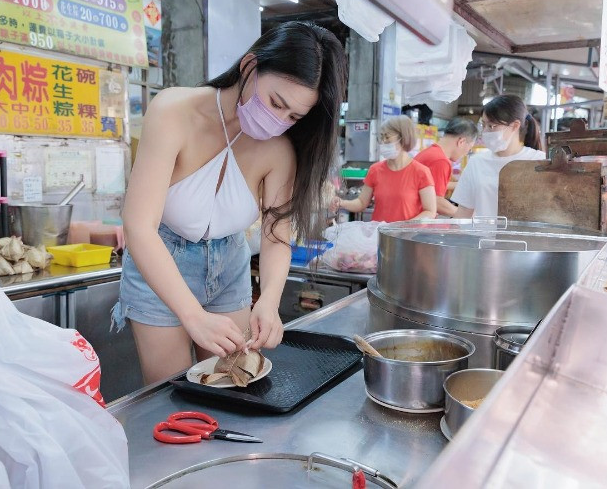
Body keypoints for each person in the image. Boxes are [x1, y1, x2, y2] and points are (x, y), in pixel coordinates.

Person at [112, 22, 347, 384]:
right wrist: (192, 316)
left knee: (235, 386)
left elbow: (275, 235)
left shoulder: (281, 150)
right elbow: (139, 226)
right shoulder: (174, 112)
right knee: (171, 395)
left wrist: (269, 300)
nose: (279, 121)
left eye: (294, 117)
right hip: (160, 259)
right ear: (250, 66)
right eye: (276, 103)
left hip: (228, 269)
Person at [450, 94, 546, 218]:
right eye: (483, 125)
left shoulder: (538, 161)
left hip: (521, 237)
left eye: (491, 126)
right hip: (482, 237)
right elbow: (463, 214)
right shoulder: (477, 163)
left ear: (515, 126)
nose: (485, 131)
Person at [334, 116, 436, 222]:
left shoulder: (421, 172)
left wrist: (405, 226)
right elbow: (361, 203)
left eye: (387, 137)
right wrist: (342, 203)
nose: (383, 142)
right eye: (381, 137)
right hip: (380, 236)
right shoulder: (375, 170)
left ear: (403, 137)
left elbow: (430, 211)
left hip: (406, 236)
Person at [415, 117, 478, 217]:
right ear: (461, 142)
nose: (466, 153)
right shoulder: (441, 161)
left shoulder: (431, 152)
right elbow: (436, 201)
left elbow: (431, 185)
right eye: (469, 149)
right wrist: (467, 216)